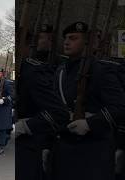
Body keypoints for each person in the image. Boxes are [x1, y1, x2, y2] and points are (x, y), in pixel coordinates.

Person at [52, 22, 125, 180]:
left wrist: (90, 124)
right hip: (64, 147)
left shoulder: (102, 70)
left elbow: (119, 106)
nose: (66, 42)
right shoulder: (60, 71)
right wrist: (45, 145)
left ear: (86, 43)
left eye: (73, 38)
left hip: (94, 150)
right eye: (65, 38)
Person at [16, 24, 70, 179]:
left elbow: (59, 113)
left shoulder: (32, 72)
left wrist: (24, 126)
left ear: (26, 46)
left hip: (24, 147)